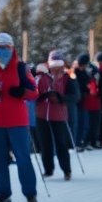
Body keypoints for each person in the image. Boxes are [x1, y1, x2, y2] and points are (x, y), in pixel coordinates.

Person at [0, 33, 40, 202]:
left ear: (12, 48)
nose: (2, 51)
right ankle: (3, 193)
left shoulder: (21, 68)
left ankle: (30, 193)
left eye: (6, 47)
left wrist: (22, 92)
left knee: (22, 158)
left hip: (17, 121)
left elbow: (34, 91)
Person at [33, 51, 74, 181]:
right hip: (42, 115)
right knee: (45, 144)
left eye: (59, 65)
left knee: (61, 143)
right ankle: (48, 170)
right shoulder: (42, 75)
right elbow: (34, 93)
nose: (56, 68)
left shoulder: (67, 78)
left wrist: (60, 98)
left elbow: (75, 96)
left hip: (59, 115)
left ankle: (66, 170)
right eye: (54, 65)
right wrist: (44, 96)